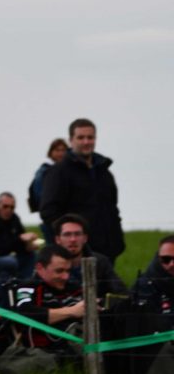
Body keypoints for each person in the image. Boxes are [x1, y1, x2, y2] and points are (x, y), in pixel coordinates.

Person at [41, 118, 124, 262]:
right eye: (81, 137)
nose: (86, 142)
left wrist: (117, 240)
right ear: (71, 140)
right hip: (77, 254)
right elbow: (49, 211)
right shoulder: (59, 172)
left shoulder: (104, 172)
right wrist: (69, 240)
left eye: (90, 137)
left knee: (107, 284)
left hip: (108, 250)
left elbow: (113, 207)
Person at [0, 245, 85, 374]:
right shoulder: (27, 287)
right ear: (40, 268)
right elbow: (25, 313)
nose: (65, 276)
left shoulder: (75, 288)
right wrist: (72, 311)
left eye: (68, 271)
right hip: (48, 352)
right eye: (59, 271)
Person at [129, 236, 174, 374]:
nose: (171, 264)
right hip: (155, 345)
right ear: (158, 257)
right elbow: (146, 322)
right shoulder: (145, 284)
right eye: (166, 259)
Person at [52, 213, 128, 299]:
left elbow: (121, 293)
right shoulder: (47, 263)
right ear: (58, 239)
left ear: (85, 238)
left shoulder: (100, 262)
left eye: (77, 234)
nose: (73, 239)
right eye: (67, 234)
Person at [0, 192, 36, 284]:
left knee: (31, 256)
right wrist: (19, 239)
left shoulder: (14, 218)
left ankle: (25, 284)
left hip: (7, 255)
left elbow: (20, 241)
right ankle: (8, 287)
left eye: (12, 207)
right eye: (5, 206)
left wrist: (28, 244)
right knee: (10, 262)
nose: (9, 210)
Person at [28, 137, 68, 223]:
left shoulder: (70, 171)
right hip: (53, 218)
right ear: (51, 153)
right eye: (57, 150)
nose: (61, 153)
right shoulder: (44, 172)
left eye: (63, 150)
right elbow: (39, 195)